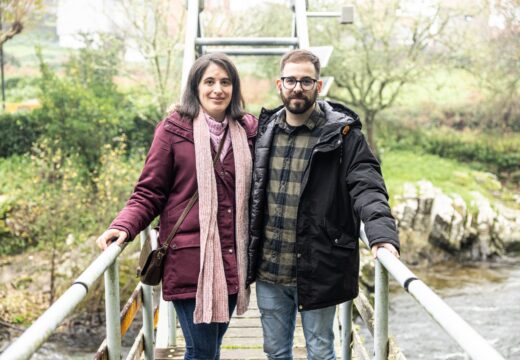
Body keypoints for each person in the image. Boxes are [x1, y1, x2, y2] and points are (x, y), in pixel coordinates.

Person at [96, 52, 257, 360]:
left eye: (225, 82)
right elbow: (149, 191)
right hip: (189, 260)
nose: (217, 90)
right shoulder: (173, 130)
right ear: (195, 87)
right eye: (209, 81)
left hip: (233, 259)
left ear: (234, 88)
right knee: (201, 350)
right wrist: (123, 225)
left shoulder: (249, 130)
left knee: (209, 348)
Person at [247, 49, 400, 360]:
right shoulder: (261, 133)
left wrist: (381, 235)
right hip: (269, 270)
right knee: (275, 353)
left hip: (319, 265)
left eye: (306, 80)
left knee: (321, 351)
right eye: (291, 80)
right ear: (279, 84)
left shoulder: (344, 136)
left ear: (319, 86)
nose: (298, 87)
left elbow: (368, 187)